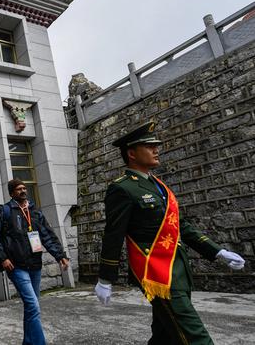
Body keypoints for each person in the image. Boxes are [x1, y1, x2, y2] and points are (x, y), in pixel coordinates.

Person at [94, 121, 246, 344]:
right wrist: (106, 278)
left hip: (178, 269)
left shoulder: (158, 185)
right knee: (196, 337)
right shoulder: (123, 188)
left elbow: (181, 226)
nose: (156, 150)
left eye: (156, 145)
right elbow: (113, 234)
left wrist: (217, 252)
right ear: (132, 153)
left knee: (165, 334)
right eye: (149, 146)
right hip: (156, 272)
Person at [0, 179, 69, 345]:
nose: (23, 191)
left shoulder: (35, 212)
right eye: (18, 189)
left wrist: (60, 255)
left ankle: (28, 342)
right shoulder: (5, 211)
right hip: (16, 267)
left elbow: (47, 235)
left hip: (35, 265)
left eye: (24, 188)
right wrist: (3, 258)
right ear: (11, 193)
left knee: (32, 307)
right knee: (33, 306)